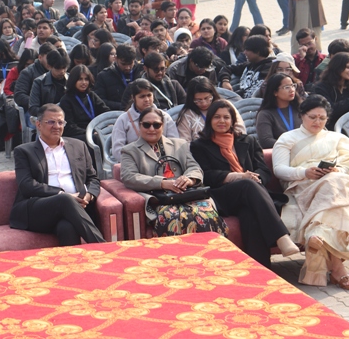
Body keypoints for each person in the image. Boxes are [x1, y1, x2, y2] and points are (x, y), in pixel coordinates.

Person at [273, 95, 349, 288]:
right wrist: (305, 172)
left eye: (322, 118)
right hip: (303, 187)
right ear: (302, 115)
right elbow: (279, 169)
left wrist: (338, 169)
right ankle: (338, 270)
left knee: (335, 182)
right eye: (313, 117)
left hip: (337, 185)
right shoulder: (287, 138)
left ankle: (318, 234)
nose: (317, 122)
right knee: (335, 188)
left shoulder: (336, 138)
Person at [190, 101, 298, 267]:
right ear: (210, 120)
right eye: (217, 117)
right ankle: (281, 236)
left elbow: (264, 170)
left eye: (226, 117)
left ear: (233, 121)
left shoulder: (248, 141)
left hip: (252, 195)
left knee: (250, 216)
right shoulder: (199, 145)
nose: (222, 121)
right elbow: (206, 175)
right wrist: (238, 177)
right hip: (222, 196)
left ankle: (261, 271)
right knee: (246, 184)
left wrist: (255, 178)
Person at [120, 107, 227, 237]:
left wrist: (189, 179)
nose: (151, 129)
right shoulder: (130, 151)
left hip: (186, 195)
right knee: (172, 216)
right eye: (147, 125)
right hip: (159, 199)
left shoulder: (179, 144)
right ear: (140, 125)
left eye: (156, 125)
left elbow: (194, 167)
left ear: (163, 126)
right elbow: (129, 177)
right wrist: (162, 183)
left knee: (205, 213)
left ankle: (211, 248)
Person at [10, 103, 105, 245]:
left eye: (60, 122)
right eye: (51, 122)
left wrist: (89, 195)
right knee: (64, 199)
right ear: (38, 124)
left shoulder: (79, 146)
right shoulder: (24, 151)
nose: (57, 126)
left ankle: (76, 260)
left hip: (75, 209)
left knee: (67, 227)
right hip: (38, 209)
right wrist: (62, 194)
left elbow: (93, 178)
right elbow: (26, 185)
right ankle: (103, 247)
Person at [112, 79, 179, 162]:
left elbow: (174, 142)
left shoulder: (164, 117)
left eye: (149, 95)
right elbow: (118, 150)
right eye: (142, 96)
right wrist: (136, 162)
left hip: (164, 162)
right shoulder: (123, 120)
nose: (147, 99)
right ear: (133, 98)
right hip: (134, 163)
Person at [175, 77, 245, 143]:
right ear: (191, 99)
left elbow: (240, 130)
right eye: (198, 100)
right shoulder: (187, 115)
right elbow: (184, 142)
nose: (204, 103)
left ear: (213, 94)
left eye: (207, 98)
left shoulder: (226, 106)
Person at [313, 52, 349, 130]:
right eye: (348, 67)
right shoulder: (321, 88)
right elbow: (328, 110)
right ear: (337, 67)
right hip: (331, 129)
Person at [58, 65, 109, 141]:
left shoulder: (91, 95)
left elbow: (105, 112)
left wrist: (109, 124)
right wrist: (90, 133)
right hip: (78, 135)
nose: (84, 82)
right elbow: (69, 127)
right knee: (96, 138)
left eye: (86, 79)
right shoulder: (66, 100)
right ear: (73, 80)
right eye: (80, 79)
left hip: (95, 131)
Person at [256, 73, 302, 149]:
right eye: (286, 87)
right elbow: (265, 140)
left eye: (293, 86)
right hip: (281, 152)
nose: (292, 90)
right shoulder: (265, 114)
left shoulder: (300, 108)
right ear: (275, 92)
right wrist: (290, 147)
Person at [94, 44, 143, 110]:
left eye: (130, 64)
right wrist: (123, 106)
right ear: (116, 58)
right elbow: (100, 100)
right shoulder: (103, 76)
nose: (127, 67)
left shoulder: (142, 72)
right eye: (123, 64)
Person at [28, 48, 70, 118]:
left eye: (64, 68)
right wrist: (51, 113)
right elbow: (33, 108)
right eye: (58, 68)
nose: (62, 71)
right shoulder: (39, 82)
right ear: (49, 66)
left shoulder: (71, 80)